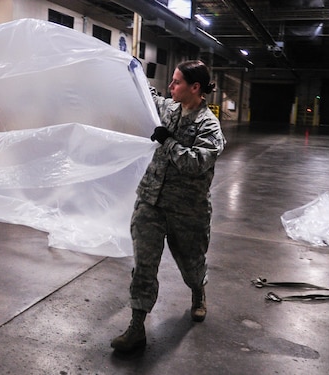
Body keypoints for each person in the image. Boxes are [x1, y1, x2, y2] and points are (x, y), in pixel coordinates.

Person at [111, 60, 226, 353]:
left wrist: (169, 143)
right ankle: (137, 327)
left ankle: (198, 291)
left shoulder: (208, 126)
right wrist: (131, 70)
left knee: (191, 265)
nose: (170, 86)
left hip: (187, 210)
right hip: (151, 201)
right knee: (144, 266)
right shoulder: (169, 108)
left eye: (176, 82)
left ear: (195, 88)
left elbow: (195, 163)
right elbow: (149, 96)